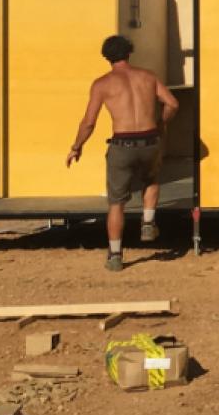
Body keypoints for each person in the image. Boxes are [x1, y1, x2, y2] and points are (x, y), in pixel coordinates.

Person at [67, 35, 179, 271]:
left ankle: (116, 255)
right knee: (151, 179)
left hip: (122, 145)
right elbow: (172, 104)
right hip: (150, 140)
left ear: (106, 57)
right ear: (129, 53)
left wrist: (77, 146)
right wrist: (160, 124)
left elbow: (89, 122)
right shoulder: (148, 77)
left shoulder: (102, 84)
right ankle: (148, 221)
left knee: (116, 202)